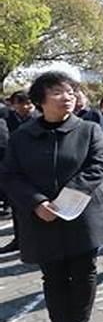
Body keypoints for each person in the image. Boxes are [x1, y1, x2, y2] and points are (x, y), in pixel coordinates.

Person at [0, 71, 103, 322]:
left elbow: (98, 166)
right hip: (41, 218)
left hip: (81, 215)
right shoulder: (22, 137)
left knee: (83, 270)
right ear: (41, 100)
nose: (68, 97)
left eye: (71, 92)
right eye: (59, 93)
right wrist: (37, 202)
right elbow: (10, 176)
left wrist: (65, 200)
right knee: (52, 276)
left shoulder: (89, 130)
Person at [0, 90, 37, 254]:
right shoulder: (7, 120)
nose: (26, 107)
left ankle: (37, 242)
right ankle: (19, 240)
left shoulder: (39, 120)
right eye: (21, 103)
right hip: (14, 171)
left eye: (28, 103)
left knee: (35, 208)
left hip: (35, 171)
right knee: (17, 208)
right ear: (13, 105)